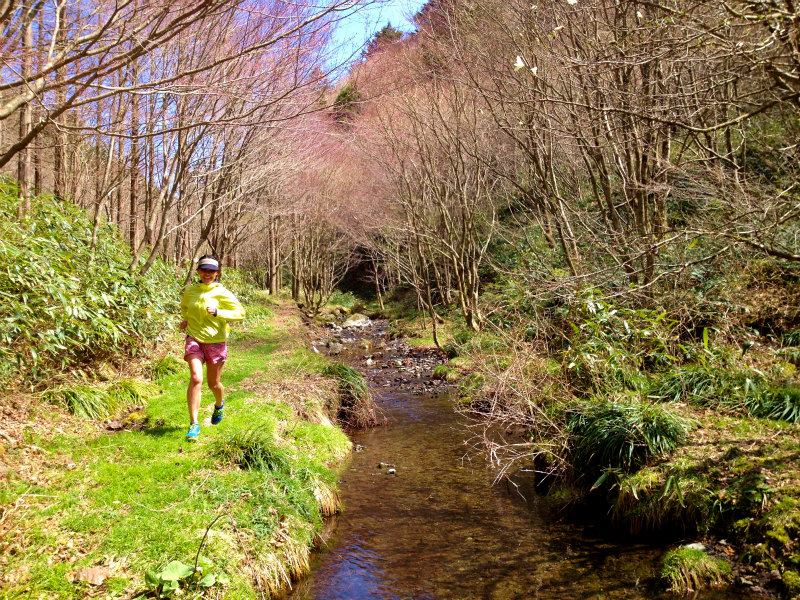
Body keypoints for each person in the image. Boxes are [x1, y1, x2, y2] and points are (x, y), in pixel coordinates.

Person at [179, 254, 245, 441]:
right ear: (198, 271)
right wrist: (186, 320)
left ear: (217, 273)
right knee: (195, 378)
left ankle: (219, 404)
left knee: (213, 383)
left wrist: (218, 313)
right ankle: (194, 424)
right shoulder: (190, 291)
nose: (207, 274)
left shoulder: (222, 292)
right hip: (194, 339)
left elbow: (240, 313)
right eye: (204, 270)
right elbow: (185, 307)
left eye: (211, 271)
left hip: (216, 341)